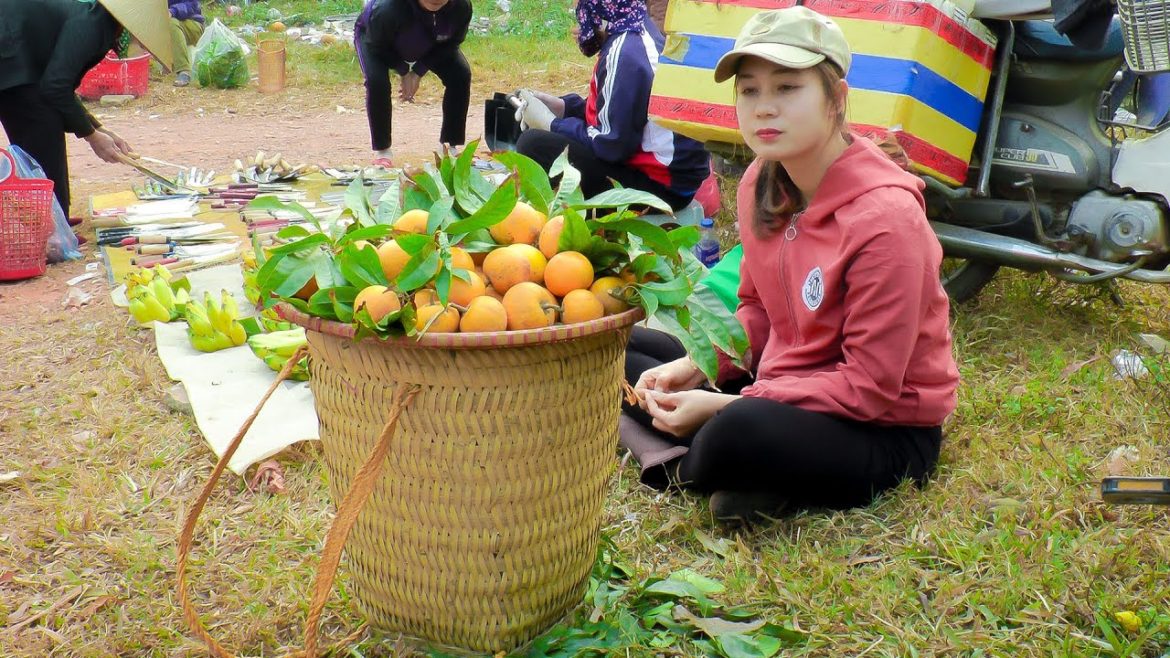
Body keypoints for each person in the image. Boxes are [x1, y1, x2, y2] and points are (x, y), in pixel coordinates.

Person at [624, 7, 960, 522]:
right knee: (620, 352)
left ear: (836, 98)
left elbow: (868, 387)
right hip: (780, 383)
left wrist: (725, 406)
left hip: (879, 427)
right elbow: (756, 312)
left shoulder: (886, 220)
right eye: (750, 90)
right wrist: (698, 367)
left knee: (739, 431)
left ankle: (699, 457)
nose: (764, 109)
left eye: (787, 88)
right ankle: (744, 470)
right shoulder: (761, 181)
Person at [513, 0, 711, 211]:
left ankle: (577, 217)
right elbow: (618, 110)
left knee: (532, 144)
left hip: (659, 189)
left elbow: (612, 146)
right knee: (541, 137)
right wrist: (564, 107)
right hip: (674, 182)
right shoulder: (637, 28)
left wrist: (552, 124)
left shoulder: (624, 52)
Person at [0, 0, 173, 224]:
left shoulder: (101, 24)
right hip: (10, 53)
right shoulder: (94, 23)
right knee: (43, 121)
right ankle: (51, 227)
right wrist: (91, 136)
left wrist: (99, 129)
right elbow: (55, 87)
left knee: (43, 118)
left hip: (18, 60)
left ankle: (54, 220)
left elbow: (61, 87)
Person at [354, 0, 473, 167]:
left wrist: (418, 71)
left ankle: (450, 146)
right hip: (376, 39)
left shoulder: (461, 7)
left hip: (429, 39)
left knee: (460, 75)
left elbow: (451, 43)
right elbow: (377, 46)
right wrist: (403, 71)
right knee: (377, 83)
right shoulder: (387, 8)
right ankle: (383, 151)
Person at [168, 0, 204, 87]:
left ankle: (184, 71)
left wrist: (172, 11)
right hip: (171, 22)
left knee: (171, 23)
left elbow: (192, 5)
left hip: (193, 23)